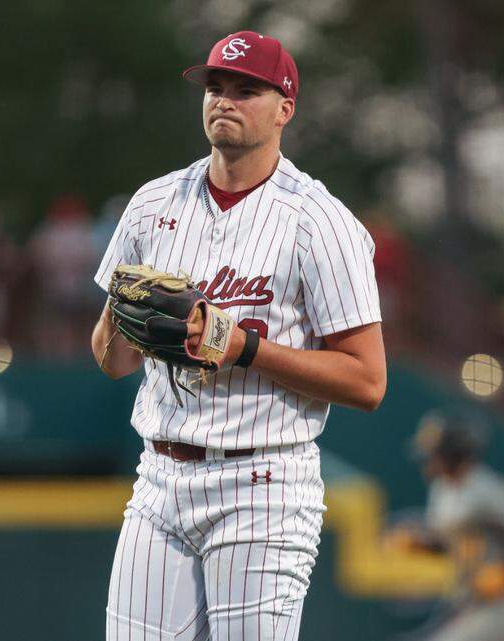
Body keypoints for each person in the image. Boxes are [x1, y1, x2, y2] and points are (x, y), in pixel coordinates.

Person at [90, 30, 386, 641]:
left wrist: (244, 347)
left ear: (285, 109)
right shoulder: (152, 205)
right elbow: (111, 359)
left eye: (245, 90)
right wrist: (135, 321)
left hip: (264, 486)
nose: (224, 100)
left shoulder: (320, 223)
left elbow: (367, 381)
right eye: (215, 87)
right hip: (160, 478)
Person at [389, 412, 504, 641]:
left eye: (434, 454)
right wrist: (422, 543)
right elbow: (457, 544)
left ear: (452, 454)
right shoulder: (442, 490)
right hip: (475, 606)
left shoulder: (483, 488)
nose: (428, 461)